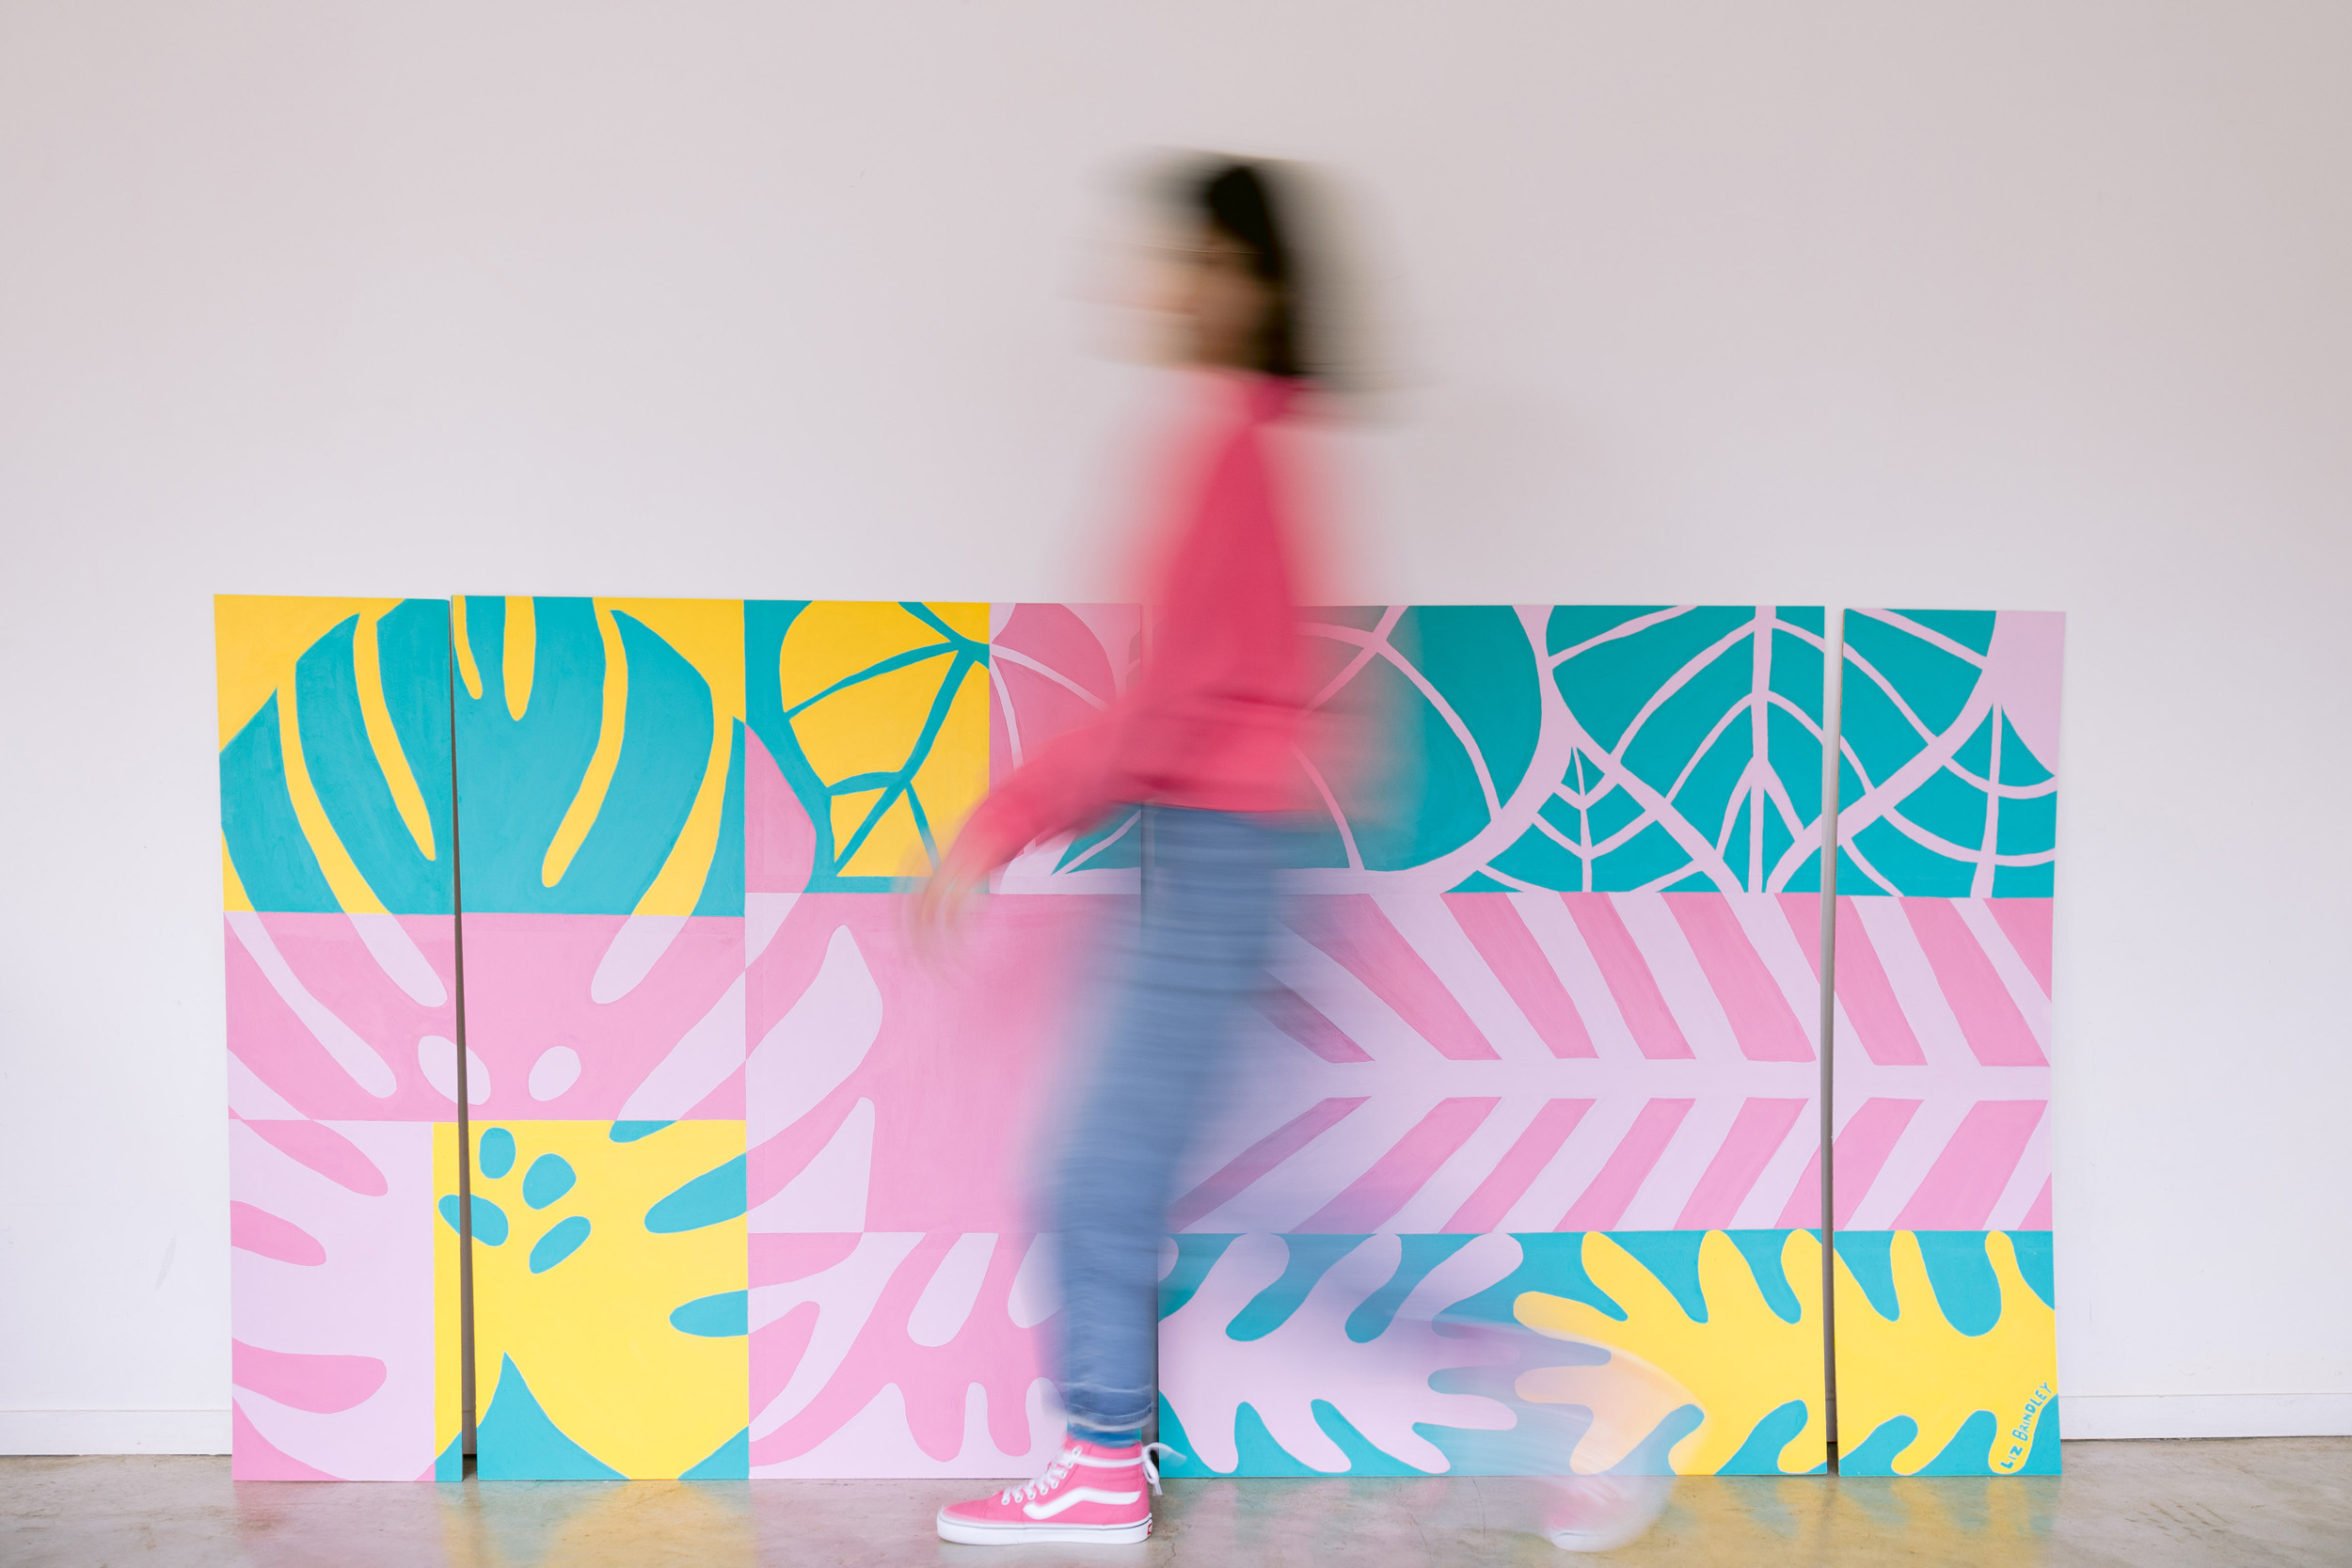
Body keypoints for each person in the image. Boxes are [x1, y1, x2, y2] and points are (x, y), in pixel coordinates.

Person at [919, 157, 1325, 1547]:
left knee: (1098, 1179)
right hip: (1227, 854)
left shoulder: (1228, 450)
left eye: (1196, 259)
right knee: (1177, 1184)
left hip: (1219, 856)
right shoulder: (1252, 444)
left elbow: (1166, 708)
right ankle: (1110, 1459)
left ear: (1249, 283)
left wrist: (996, 822)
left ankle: (1101, 1469)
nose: (1170, 284)